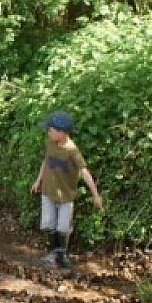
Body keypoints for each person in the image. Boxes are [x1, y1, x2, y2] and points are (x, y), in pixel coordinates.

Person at [30, 111, 102, 269]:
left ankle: (62, 253)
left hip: (66, 197)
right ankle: (54, 252)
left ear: (61, 133)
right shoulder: (50, 144)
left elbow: (84, 172)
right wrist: (38, 180)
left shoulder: (72, 150)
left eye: (50, 130)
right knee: (48, 224)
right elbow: (45, 161)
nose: (48, 132)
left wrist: (96, 195)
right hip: (48, 192)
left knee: (63, 228)